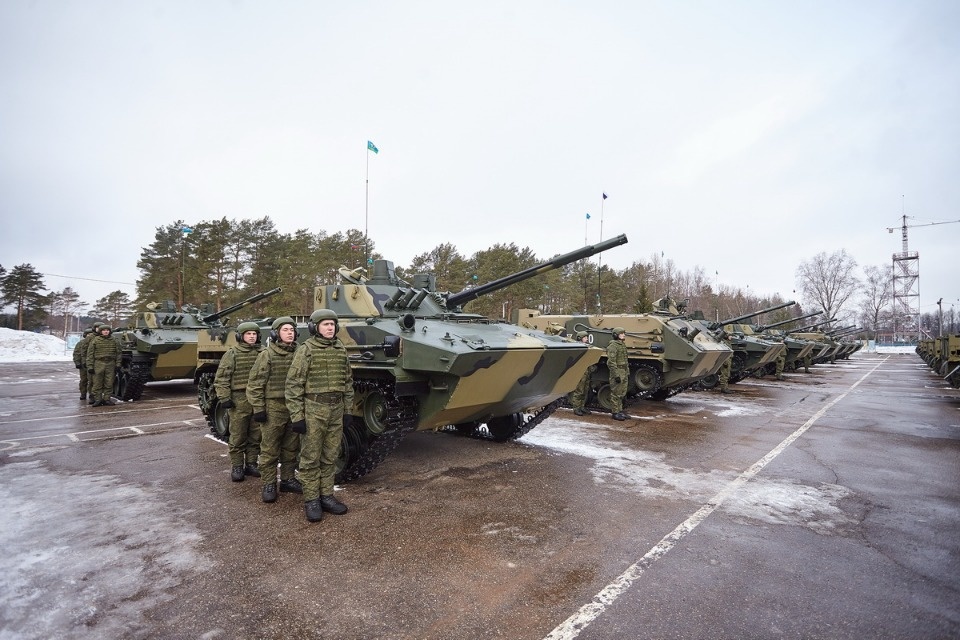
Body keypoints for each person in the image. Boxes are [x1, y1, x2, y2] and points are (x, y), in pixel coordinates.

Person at [286, 309, 354, 523]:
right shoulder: (306, 350)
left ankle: (326, 495)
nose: (330, 328)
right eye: (325, 324)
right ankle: (311, 499)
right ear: (315, 328)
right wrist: (297, 416)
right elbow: (294, 384)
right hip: (314, 409)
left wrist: (348, 410)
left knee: (330, 455)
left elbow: (348, 382)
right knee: (310, 457)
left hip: (336, 409)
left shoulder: (340, 349)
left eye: (333, 324)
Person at [247, 316, 302, 503]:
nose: (290, 333)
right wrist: (259, 408)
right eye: (285, 329)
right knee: (270, 448)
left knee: (291, 446)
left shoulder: (300, 353)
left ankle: (287, 479)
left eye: (292, 330)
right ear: (276, 333)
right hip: (274, 408)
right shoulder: (267, 355)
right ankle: (269, 483)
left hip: (294, 407)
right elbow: (255, 384)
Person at [215, 321, 264, 482]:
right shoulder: (232, 354)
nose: (251, 337)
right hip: (239, 399)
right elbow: (222, 378)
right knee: (237, 435)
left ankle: (251, 463)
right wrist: (224, 397)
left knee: (256, 434)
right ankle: (237, 466)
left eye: (254, 334)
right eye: (248, 334)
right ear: (240, 336)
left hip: (257, 399)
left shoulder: (263, 352)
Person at [86, 325, 120, 406]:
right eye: (104, 330)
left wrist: (118, 364)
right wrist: (90, 366)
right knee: (97, 382)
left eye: (107, 330)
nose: (106, 331)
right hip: (98, 363)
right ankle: (98, 399)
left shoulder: (114, 340)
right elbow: (90, 354)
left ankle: (107, 399)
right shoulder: (95, 340)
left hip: (110, 363)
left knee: (109, 382)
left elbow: (119, 353)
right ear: (100, 331)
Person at [569, 331, 596, 416]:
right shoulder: (577, 348)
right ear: (580, 338)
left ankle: (582, 406)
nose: (587, 339)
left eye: (587, 337)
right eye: (585, 337)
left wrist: (592, 368)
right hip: (580, 372)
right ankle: (576, 408)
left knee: (585, 390)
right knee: (579, 391)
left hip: (586, 371)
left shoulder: (587, 347)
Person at [606, 327, 629, 421]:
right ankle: (615, 412)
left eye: (624, 333)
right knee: (616, 393)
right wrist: (616, 375)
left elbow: (625, 360)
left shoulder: (622, 345)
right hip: (618, 371)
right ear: (616, 335)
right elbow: (611, 362)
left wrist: (627, 372)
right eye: (621, 333)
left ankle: (620, 410)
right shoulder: (613, 346)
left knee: (622, 392)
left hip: (623, 371)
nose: (623, 335)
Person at [72, 328, 94, 400]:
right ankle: (83, 393)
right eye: (88, 334)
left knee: (92, 381)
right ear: (85, 335)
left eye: (91, 334)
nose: (90, 336)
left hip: (92, 364)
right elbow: (76, 354)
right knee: (84, 380)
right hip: (83, 365)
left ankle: (92, 394)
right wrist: (77, 362)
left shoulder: (95, 342)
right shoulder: (80, 343)